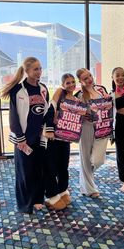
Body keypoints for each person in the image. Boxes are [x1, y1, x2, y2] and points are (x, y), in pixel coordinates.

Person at [0, 56, 49, 214]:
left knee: (38, 170)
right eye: (35, 69)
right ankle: (24, 204)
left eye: (40, 68)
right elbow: (13, 117)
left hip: (39, 138)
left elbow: (46, 112)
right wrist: (21, 139)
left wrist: (47, 131)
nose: (39, 72)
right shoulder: (18, 90)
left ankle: (37, 199)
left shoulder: (43, 88)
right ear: (27, 71)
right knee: (24, 173)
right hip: (24, 140)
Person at [43, 74, 78, 210]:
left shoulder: (75, 99)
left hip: (65, 138)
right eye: (68, 82)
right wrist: (50, 129)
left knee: (63, 166)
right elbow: (51, 108)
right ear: (63, 84)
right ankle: (52, 196)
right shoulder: (60, 92)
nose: (71, 85)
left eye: (73, 82)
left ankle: (63, 191)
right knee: (51, 167)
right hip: (53, 137)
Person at [75, 68, 109, 198]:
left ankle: (86, 179)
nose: (89, 79)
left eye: (89, 76)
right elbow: (75, 113)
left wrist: (108, 100)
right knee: (85, 157)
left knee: (98, 160)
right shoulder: (80, 95)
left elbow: (108, 105)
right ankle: (89, 188)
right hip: (86, 127)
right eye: (85, 78)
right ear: (80, 81)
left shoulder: (101, 89)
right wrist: (82, 116)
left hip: (102, 126)